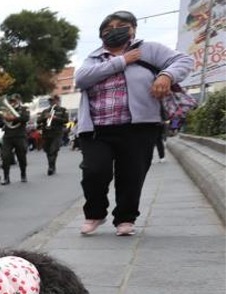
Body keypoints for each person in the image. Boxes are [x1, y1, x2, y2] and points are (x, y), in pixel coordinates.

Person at [76, 10, 193, 236]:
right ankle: (95, 213)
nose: (114, 31)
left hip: (139, 127)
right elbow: (82, 79)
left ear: (133, 29)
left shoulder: (149, 50)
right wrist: (121, 61)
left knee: (132, 174)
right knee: (94, 172)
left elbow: (184, 60)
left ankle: (125, 218)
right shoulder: (93, 57)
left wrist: (166, 75)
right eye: (107, 29)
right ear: (101, 35)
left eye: (121, 25)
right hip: (96, 129)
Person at [0, 93, 31, 185]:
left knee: (21, 157)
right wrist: (4, 117)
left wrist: (13, 118)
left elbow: (25, 118)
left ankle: (23, 174)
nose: (12, 103)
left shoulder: (24, 108)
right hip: (8, 135)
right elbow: (2, 122)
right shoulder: (7, 109)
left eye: (14, 101)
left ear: (19, 100)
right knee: (5, 157)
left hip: (19, 135)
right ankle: (6, 177)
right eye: (11, 101)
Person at [36, 95, 69, 175]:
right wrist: (45, 117)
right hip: (46, 133)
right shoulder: (45, 111)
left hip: (57, 133)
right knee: (48, 150)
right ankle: (52, 165)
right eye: (50, 101)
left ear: (57, 101)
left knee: (53, 149)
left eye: (53, 101)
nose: (51, 102)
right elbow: (38, 121)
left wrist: (55, 117)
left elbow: (66, 120)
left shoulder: (63, 110)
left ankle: (51, 167)